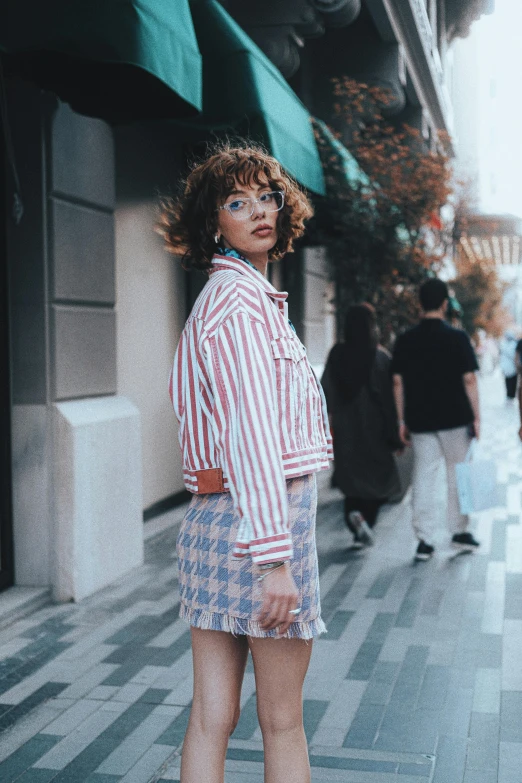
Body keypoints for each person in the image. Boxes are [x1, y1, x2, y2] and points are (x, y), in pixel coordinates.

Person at [159, 144, 332, 783]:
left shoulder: (239, 300)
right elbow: (252, 437)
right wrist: (276, 561)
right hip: (261, 531)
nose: (259, 210)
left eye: (268, 196)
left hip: (221, 525)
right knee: (282, 721)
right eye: (237, 202)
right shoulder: (237, 306)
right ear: (213, 223)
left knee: (213, 714)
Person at [391, 278, 481, 561]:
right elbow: (469, 380)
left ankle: (425, 540)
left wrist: (401, 421)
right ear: (444, 303)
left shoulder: (406, 340)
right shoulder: (458, 338)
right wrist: (477, 417)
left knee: (424, 478)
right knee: (459, 475)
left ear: (420, 303)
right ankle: (459, 531)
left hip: (421, 421)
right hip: (456, 419)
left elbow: (397, 383)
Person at [321, 304, 401, 548]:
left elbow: (325, 392)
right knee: (380, 483)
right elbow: (392, 396)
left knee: (351, 483)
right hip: (375, 430)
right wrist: (397, 429)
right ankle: (364, 522)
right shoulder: (380, 357)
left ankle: (355, 519)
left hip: (346, 430)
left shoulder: (337, 355)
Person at [499, 328, 519, 400]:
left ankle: (511, 395)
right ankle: (509, 395)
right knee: (508, 381)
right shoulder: (504, 344)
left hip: (512, 366)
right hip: (509, 366)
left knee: (512, 381)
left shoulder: (512, 344)